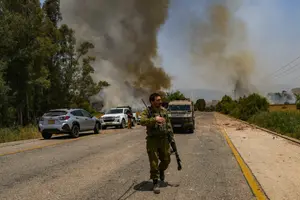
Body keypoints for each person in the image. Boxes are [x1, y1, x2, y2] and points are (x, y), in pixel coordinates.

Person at [140, 92, 174, 194]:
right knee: (154, 162)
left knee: (166, 159)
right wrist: (154, 119)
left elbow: (168, 125)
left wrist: (171, 138)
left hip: (164, 139)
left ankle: (161, 170)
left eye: (160, 100)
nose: (160, 101)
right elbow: (142, 121)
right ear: (152, 101)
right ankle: (155, 182)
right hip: (152, 140)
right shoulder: (147, 111)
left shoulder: (164, 111)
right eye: (158, 100)